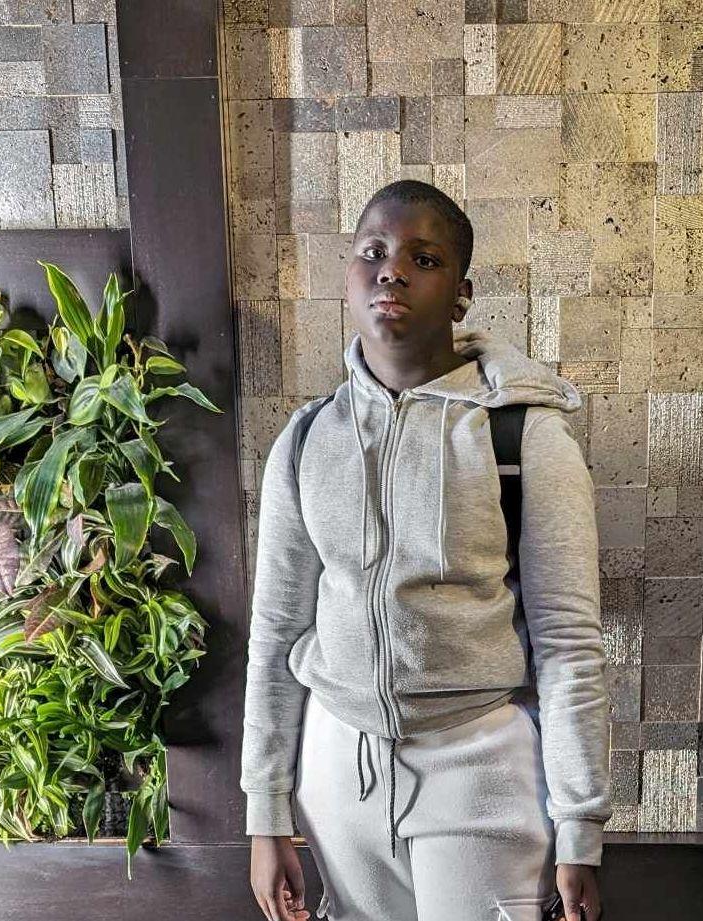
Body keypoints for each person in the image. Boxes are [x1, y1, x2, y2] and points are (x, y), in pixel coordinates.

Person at [241, 179, 612, 921]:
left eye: (424, 258)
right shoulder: (305, 440)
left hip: (480, 767)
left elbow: (569, 642)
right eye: (372, 252)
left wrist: (579, 825)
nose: (392, 271)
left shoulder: (525, 437)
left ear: (461, 294)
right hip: (338, 774)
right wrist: (265, 810)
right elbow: (277, 633)